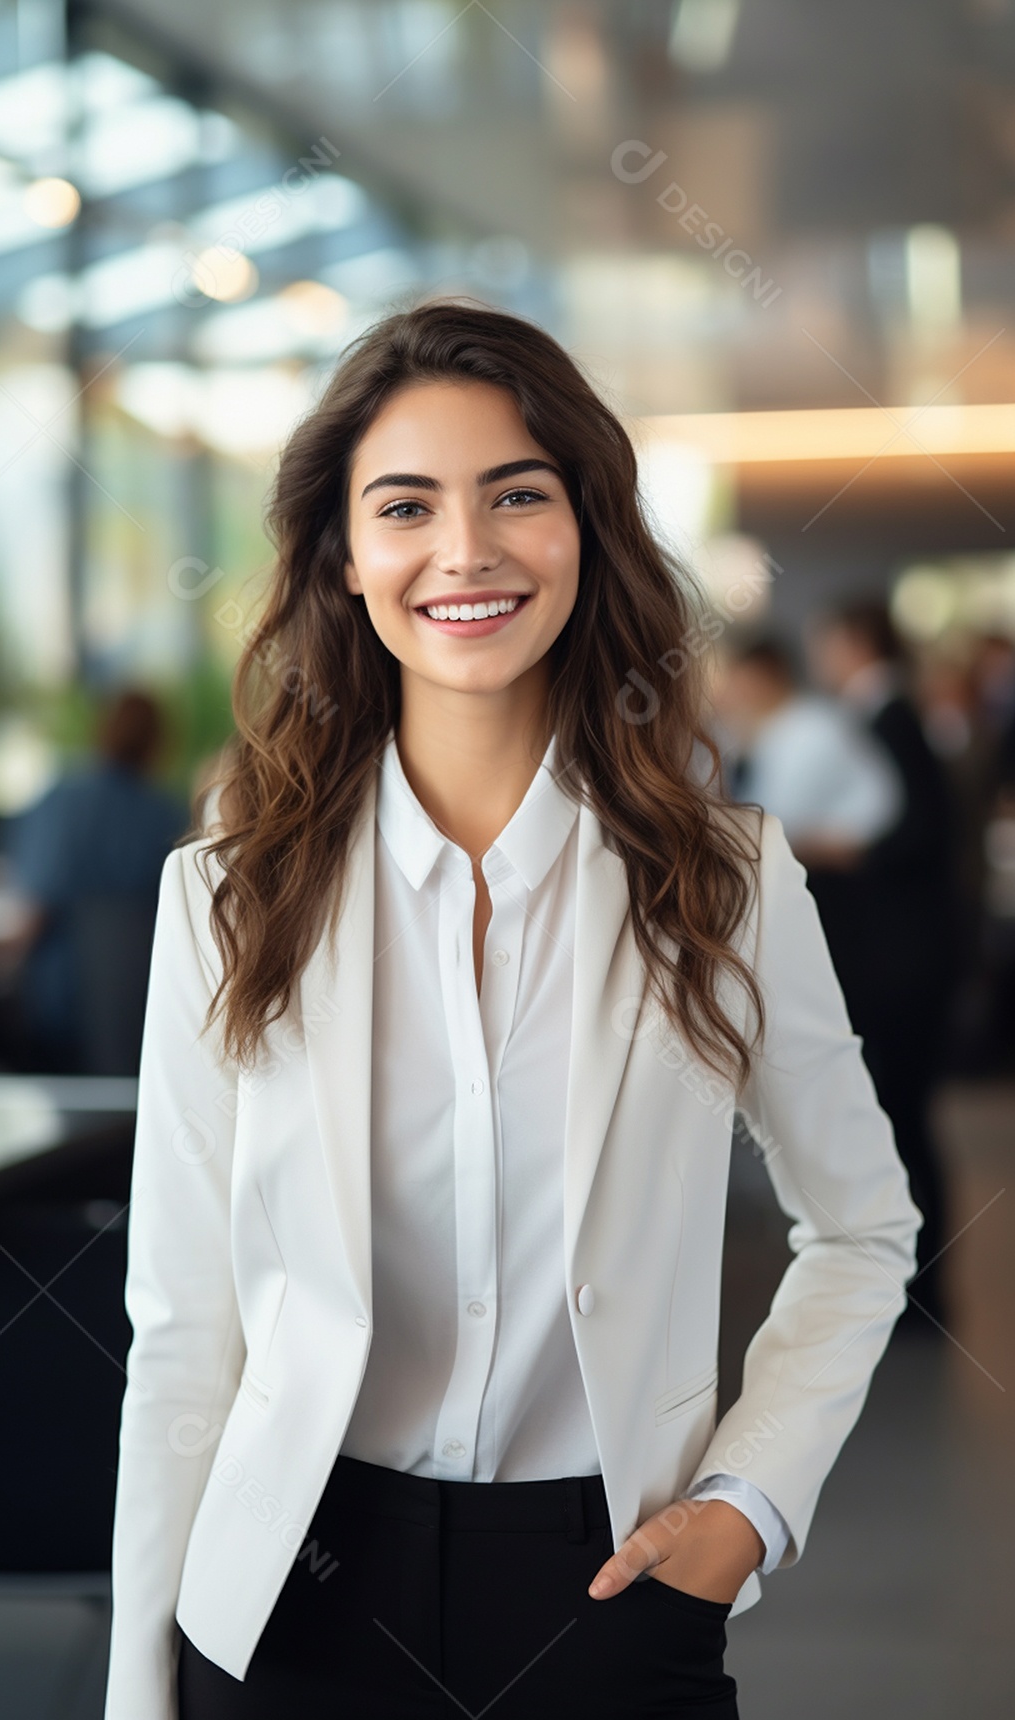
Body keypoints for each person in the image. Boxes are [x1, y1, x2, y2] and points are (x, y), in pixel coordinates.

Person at [104, 304, 922, 1720]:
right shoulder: (229, 897)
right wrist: (137, 1685)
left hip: (611, 1587)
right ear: (346, 561)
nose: (465, 551)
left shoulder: (726, 882)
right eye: (406, 506)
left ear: (588, 532)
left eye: (518, 497)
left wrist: (745, 1507)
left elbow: (864, 1230)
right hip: (291, 1589)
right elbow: (184, 1325)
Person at [806, 602, 959, 1333]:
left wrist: (842, 850)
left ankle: (920, 1290)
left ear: (851, 639)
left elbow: (918, 834)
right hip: (901, 957)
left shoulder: (890, 718)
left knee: (900, 1119)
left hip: (901, 961)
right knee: (899, 1117)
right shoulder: (885, 716)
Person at [4, 690, 186, 1072]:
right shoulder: (171, 818)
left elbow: (32, 915)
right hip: (145, 1010)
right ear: (158, 744)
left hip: (63, 1013)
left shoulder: (62, 803)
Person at [712, 635, 903, 868]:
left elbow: (778, 818)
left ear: (763, 678)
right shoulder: (777, 729)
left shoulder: (812, 728)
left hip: (863, 872)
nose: (729, 693)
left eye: (738, 680)